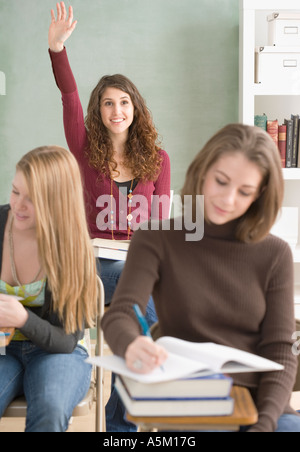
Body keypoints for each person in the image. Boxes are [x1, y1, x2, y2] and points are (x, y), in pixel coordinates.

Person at [102, 123, 300, 432]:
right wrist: (131, 345)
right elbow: (121, 313)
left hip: (262, 407)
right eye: (221, 181)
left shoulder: (275, 254)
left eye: (245, 191)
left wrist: (263, 425)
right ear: (203, 170)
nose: (228, 199)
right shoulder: (156, 239)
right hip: (191, 398)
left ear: (260, 194)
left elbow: (281, 351)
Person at [47, 2, 171, 315]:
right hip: (95, 262)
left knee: (156, 285)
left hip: (140, 258)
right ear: (99, 112)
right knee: (140, 283)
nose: (117, 111)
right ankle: (156, 355)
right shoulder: (84, 149)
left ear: (135, 108)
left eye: (124, 102)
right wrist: (57, 48)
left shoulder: (159, 160)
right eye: (108, 104)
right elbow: (69, 98)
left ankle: (131, 359)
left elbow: (160, 224)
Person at [0, 146, 98, 432]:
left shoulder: (74, 251)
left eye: (32, 199)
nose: (18, 205)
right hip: (4, 350)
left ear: (56, 202)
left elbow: (66, 340)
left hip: (59, 351)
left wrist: (22, 319)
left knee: (50, 409)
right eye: (16, 191)